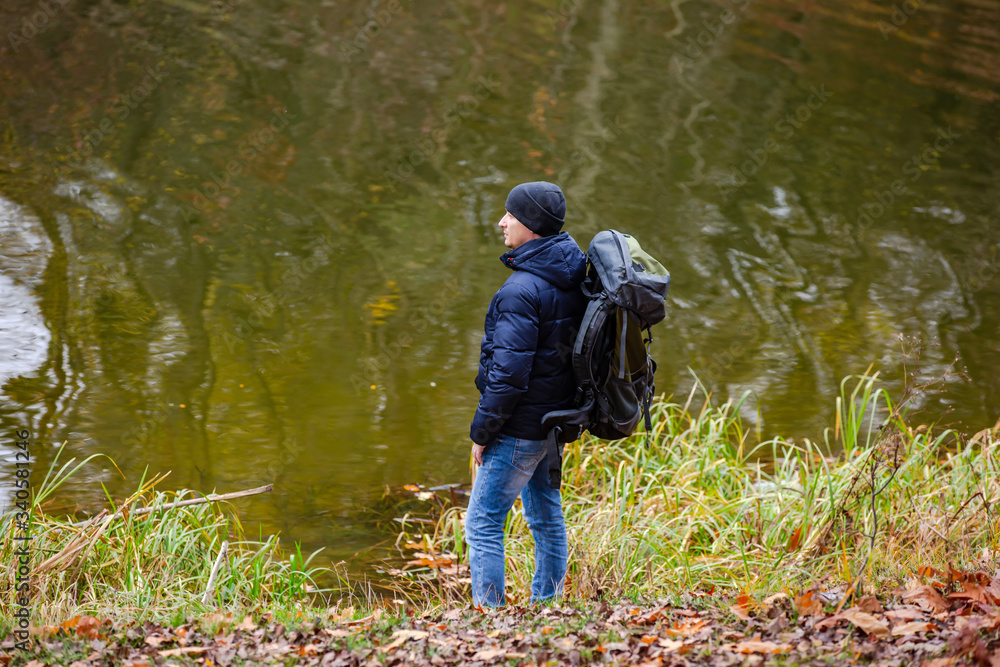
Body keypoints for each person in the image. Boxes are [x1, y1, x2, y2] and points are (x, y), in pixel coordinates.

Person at [466, 181, 587, 607]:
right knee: (546, 518)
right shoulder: (575, 274)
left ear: (531, 226)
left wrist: (482, 433)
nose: (502, 222)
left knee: (482, 523)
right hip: (553, 422)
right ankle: (547, 607)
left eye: (510, 215)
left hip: (519, 428)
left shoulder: (522, 290)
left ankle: (489, 621)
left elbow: (508, 377)